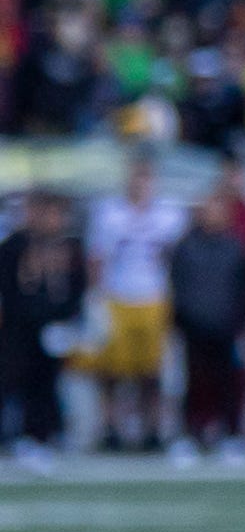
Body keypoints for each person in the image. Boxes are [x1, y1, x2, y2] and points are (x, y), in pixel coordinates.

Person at [85, 150, 176, 455]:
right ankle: (111, 427)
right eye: (137, 176)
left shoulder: (168, 215)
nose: (140, 183)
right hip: (117, 298)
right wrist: (95, 297)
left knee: (151, 372)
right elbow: (97, 258)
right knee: (111, 372)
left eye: (146, 177)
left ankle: (152, 428)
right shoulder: (110, 213)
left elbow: (173, 260)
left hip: (153, 299)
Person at [164, 171, 245, 468]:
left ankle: (231, 435)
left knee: (229, 383)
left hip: (226, 326)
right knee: (193, 384)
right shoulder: (187, 245)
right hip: (194, 326)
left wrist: (241, 321)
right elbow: (177, 284)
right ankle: (192, 434)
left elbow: (243, 287)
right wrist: (183, 317)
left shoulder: (234, 246)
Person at [1, 187, 81, 466]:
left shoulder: (68, 246)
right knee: (17, 381)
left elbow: (76, 286)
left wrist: (67, 318)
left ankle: (45, 433)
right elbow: (9, 288)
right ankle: (19, 434)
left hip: (55, 327)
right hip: (21, 328)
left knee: (49, 383)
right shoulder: (15, 245)